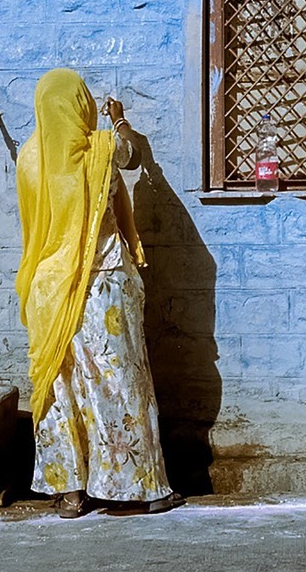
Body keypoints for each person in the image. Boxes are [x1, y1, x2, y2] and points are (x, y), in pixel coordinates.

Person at [15, 68, 182, 518]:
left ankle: (69, 492)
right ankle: (140, 489)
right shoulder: (99, 151)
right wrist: (119, 119)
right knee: (119, 383)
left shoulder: (31, 157)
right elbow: (135, 155)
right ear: (80, 105)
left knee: (59, 388)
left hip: (50, 291)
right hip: (105, 286)